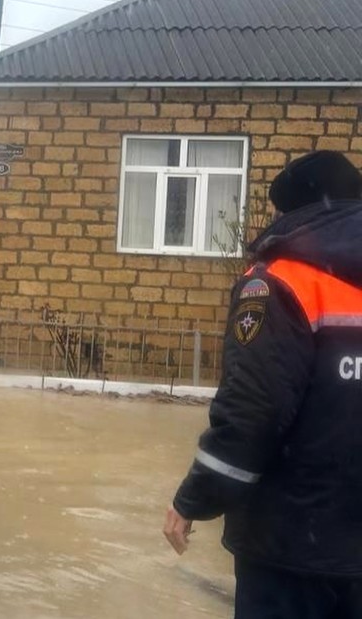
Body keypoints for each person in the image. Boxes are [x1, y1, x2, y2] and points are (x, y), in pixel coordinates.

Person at [163, 150, 362, 618]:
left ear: (292, 211)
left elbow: (255, 409)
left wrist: (194, 498)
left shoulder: (280, 282)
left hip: (291, 546)